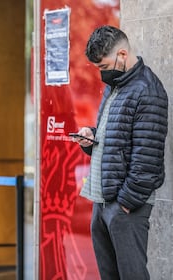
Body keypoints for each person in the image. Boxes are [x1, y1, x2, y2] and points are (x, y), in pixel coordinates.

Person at [72, 25, 168, 279]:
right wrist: (91, 139)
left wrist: (124, 205)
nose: (102, 74)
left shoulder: (148, 91)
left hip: (125, 207)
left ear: (122, 55)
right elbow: (116, 141)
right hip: (102, 200)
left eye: (103, 67)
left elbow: (147, 159)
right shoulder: (116, 86)